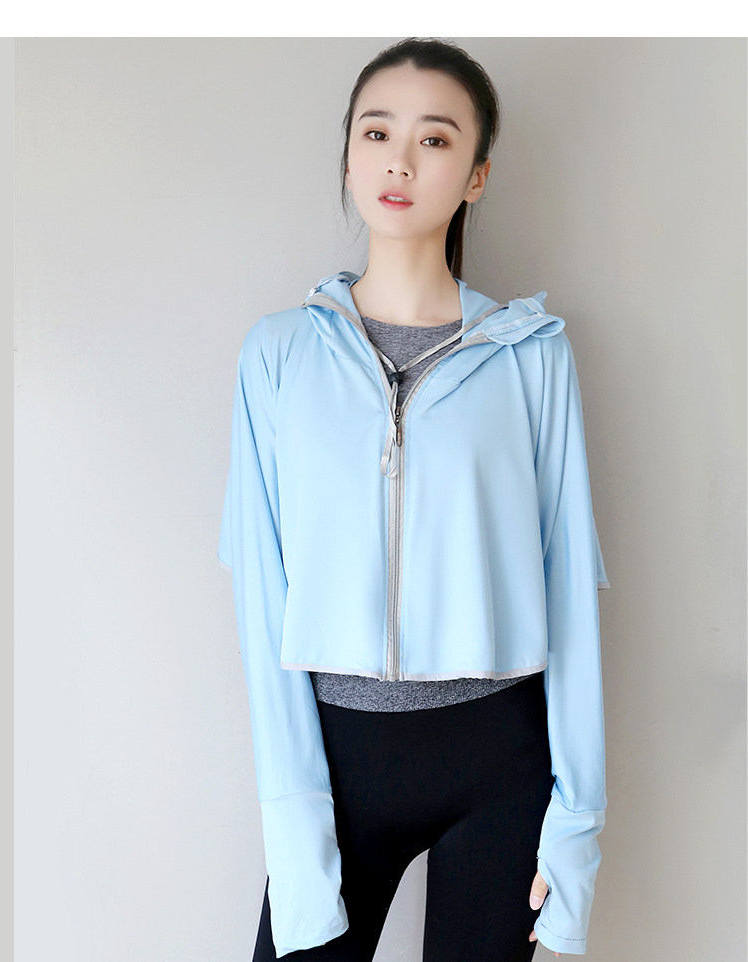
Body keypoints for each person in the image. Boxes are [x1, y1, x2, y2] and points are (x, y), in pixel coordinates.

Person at [218, 37, 610, 962]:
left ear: (475, 176)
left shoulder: (532, 355)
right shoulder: (278, 355)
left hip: (502, 764)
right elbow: (261, 596)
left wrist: (578, 818)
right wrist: (292, 818)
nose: (399, 159)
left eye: (434, 139)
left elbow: (570, 588)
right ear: (349, 157)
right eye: (377, 132)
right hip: (341, 762)